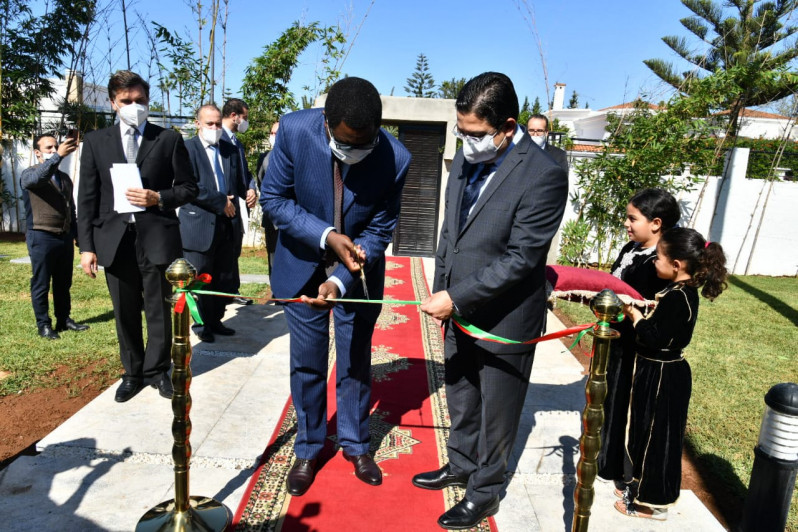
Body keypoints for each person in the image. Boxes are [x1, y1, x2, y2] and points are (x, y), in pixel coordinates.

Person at [413, 72, 568, 529]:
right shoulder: (465, 157)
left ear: (507, 126)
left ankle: (485, 490)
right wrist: (442, 285)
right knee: (461, 393)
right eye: (461, 130)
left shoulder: (543, 174)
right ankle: (459, 463)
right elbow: (451, 230)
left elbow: (523, 258)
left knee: (497, 410)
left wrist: (455, 297)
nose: (467, 140)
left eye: (476, 133)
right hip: (456, 306)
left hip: (505, 316)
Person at [260, 77, 411, 496]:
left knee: (354, 363)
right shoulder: (294, 131)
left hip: (357, 278)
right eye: (346, 142)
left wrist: (340, 279)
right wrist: (326, 235)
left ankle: (356, 443)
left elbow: (380, 230)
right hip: (300, 267)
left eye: (364, 144)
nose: (354, 152)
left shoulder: (396, 158)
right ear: (326, 123)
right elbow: (274, 200)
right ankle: (309, 447)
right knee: (307, 364)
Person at [77, 70, 199, 403]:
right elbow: (86, 198)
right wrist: (86, 247)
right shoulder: (96, 142)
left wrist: (158, 197)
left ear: (148, 100)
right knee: (125, 308)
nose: (134, 106)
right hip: (114, 239)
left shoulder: (168, 139)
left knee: (160, 308)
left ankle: (156, 370)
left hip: (157, 236)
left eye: (140, 100)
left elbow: (189, 188)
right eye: (126, 101)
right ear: (113, 103)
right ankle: (131, 372)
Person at [615, 227, 727, 520]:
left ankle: (655, 504)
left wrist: (635, 315)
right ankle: (638, 485)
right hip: (655, 371)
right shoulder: (677, 292)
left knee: (657, 437)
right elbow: (665, 325)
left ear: (676, 265)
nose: (654, 263)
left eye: (658, 258)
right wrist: (649, 308)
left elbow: (653, 337)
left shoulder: (680, 297)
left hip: (663, 376)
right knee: (643, 429)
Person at [598, 188, 681, 492]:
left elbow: (650, 308)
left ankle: (621, 466)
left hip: (635, 348)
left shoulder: (660, 265)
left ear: (656, 223)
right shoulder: (630, 249)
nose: (626, 224)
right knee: (606, 398)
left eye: (633, 218)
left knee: (625, 403)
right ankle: (604, 457)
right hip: (612, 340)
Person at [179, 104, 246, 342]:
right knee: (200, 279)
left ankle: (217, 320)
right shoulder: (186, 149)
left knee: (223, 277)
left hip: (227, 225)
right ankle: (201, 325)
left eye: (218, 123)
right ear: (198, 123)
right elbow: (189, 187)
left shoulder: (230, 149)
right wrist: (220, 202)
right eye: (210, 124)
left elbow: (239, 180)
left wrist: (249, 191)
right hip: (199, 225)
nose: (215, 128)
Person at [21, 134, 89, 340]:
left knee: (63, 282)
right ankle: (43, 324)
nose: (53, 150)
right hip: (41, 236)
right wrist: (57, 156)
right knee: (41, 283)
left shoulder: (64, 178)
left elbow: (72, 210)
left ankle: (63, 319)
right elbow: (39, 178)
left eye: (55, 147)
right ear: (37, 152)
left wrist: (78, 238)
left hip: (64, 237)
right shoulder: (29, 174)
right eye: (48, 147)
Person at [220, 98, 257, 306]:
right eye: (245, 118)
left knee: (234, 251)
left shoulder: (236, 142)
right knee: (225, 253)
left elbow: (244, 172)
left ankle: (232, 290)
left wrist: (251, 188)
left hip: (238, 207)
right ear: (234, 116)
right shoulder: (220, 141)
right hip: (225, 206)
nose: (246, 122)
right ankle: (223, 294)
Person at [257, 119, 280, 273]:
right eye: (271, 133)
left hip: (291, 221)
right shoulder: (264, 158)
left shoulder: (296, 155)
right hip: (271, 220)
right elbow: (260, 183)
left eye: (277, 133)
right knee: (272, 258)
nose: (273, 136)